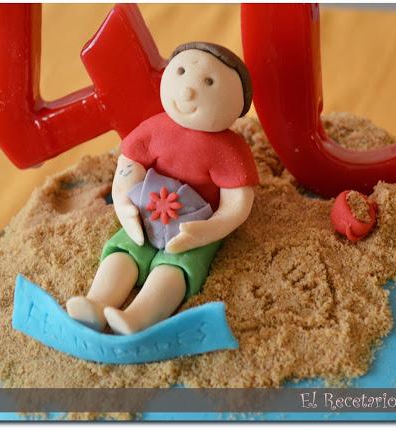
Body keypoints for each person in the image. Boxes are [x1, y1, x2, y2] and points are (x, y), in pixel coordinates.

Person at [66, 42, 259, 334]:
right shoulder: (154, 128)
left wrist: (209, 230)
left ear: (238, 103)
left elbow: (237, 203)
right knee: (125, 252)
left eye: (208, 81)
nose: (188, 91)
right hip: (146, 211)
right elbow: (130, 166)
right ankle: (96, 303)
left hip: (194, 226)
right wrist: (123, 202)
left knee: (173, 269)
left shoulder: (230, 150)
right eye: (181, 71)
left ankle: (138, 318)